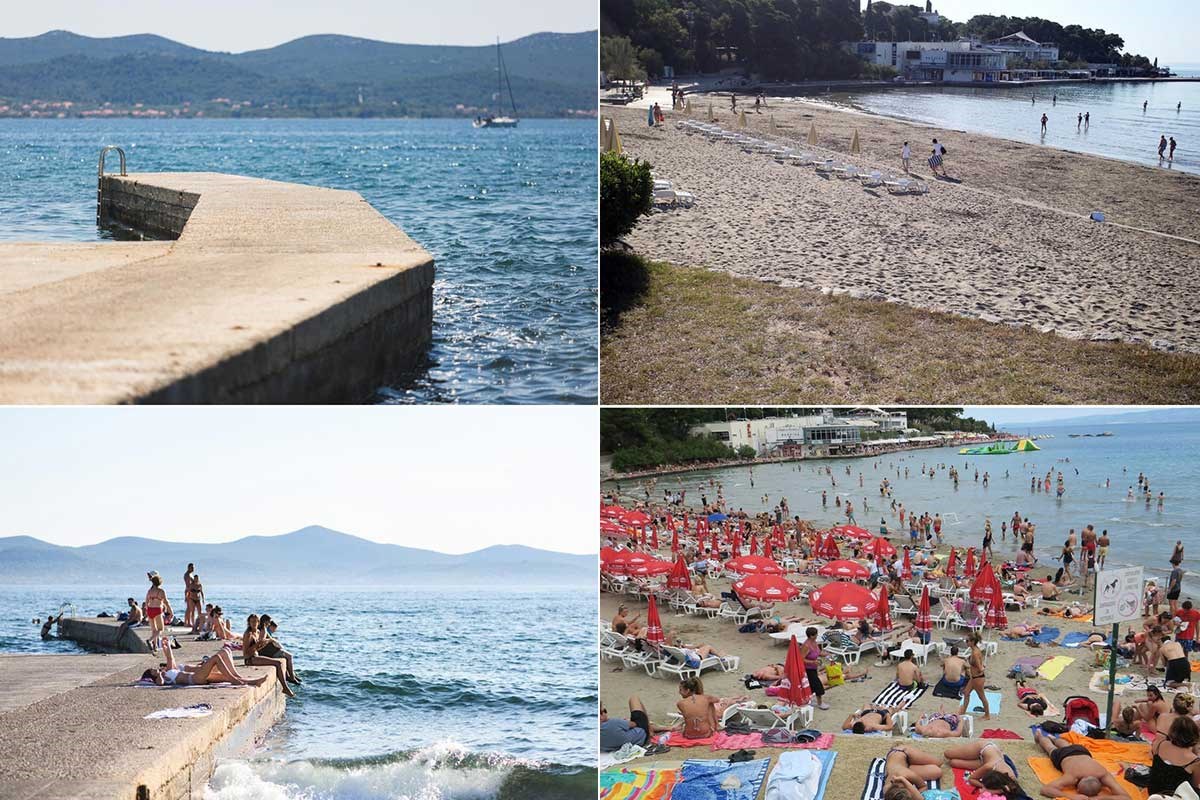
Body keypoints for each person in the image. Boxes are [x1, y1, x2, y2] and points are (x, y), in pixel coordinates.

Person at [1033, 729, 1132, 799]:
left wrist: (1101, 798)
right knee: (1050, 748)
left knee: (1066, 745)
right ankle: (1040, 736)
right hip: (1064, 756)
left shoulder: (1102, 774)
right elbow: (1045, 790)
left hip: (1082, 751)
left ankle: (1053, 738)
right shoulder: (1072, 777)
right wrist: (1071, 796)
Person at [142, 635, 268, 689]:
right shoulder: (164, 678)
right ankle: (236, 680)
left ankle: (253, 682)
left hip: (199, 676)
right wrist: (158, 675)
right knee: (216, 658)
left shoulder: (169, 671)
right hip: (195, 678)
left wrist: (167, 645)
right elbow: (160, 684)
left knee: (225, 676)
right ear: (152, 676)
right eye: (155, 671)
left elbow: (170, 658)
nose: (158, 670)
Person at [241, 614, 297, 698]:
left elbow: (258, 648)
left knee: (278, 663)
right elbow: (246, 653)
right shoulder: (248, 634)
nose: (254, 623)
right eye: (252, 621)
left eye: (256, 622)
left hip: (255, 656)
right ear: (248, 622)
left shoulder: (257, 632)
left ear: (258, 622)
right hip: (250, 659)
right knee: (278, 663)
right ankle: (285, 688)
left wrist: (264, 643)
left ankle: (286, 686)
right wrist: (258, 644)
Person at [1147, 717, 1200, 796]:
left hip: (1153, 790)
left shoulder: (1160, 744)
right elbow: (1194, 784)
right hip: (1175, 796)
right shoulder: (1195, 761)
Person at [599, 696, 672, 751]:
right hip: (642, 737)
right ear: (601, 715)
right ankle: (651, 730)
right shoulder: (614, 722)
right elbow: (634, 724)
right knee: (634, 699)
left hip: (618, 746)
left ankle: (665, 728)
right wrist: (624, 722)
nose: (606, 713)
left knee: (624, 725)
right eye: (604, 711)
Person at [944, 740, 1019, 785]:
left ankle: (969, 755)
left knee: (953, 763)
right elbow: (971, 779)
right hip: (983, 748)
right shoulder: (990, 766)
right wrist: (983, 786)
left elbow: (1014, 784)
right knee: (947, 754)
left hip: (985, 760)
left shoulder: (1011, 778)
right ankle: (966, 749)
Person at [256, 615, 300, 684]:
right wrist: (271, 640)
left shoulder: (260, 628)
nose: (270, 624)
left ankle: (290, 675)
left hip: (268, 651)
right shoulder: (263, 629)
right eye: (269, 622)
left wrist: (272, 640)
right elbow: (261, 641)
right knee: (289, 656)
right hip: (269, 652)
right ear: (265, 622)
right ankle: (292, 677)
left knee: (286, 657)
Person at [958, 632, 990, 720]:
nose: (966, 642)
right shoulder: (974, 650)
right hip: (974, 678)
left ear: (972, 642)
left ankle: (987, 715)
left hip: (978, 678)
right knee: (966, 693)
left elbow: (980, 668)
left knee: (982, 696)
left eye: (967, 641)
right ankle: (963, 711)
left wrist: (982, 667)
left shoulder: (975, 653)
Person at [802, 627, 830, 710]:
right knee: (818, 685)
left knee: (811, 685)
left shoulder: (814, 642)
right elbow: (801, 659)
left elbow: (818, 652)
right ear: (811, 636)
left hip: (814, 668)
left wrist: (826, 654)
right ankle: (820, 703)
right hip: (808, 669)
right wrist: (812, 662)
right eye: (816, 634)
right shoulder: (806, 646)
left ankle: (808, 700)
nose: (817, 635)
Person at [144, 571, 172, 649]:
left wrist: (146, 612)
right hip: (157, 610)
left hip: (150, 610)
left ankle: (155, 646)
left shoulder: (149, 591)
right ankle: (150, 640)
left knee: (154, 630)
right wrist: (170, 611)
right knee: (160, 629)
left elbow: (146, 602)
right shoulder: (161, 591)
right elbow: (166, 602)